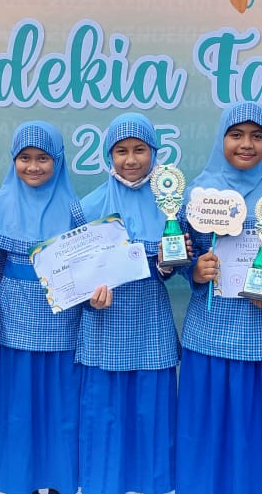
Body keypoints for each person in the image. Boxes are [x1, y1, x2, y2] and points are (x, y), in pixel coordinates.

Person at [175, 101, 262, 494]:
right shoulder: (198, 195)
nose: (246, 144)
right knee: (206, 441)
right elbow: (180, 254)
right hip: (210, 338)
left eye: (257, 136)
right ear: (221, 139)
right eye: (236, 135)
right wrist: (194, 270)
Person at [75, 113, 181, 494]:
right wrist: (89, 297)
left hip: (151, 318)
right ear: (109, 155)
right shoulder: (88, 206)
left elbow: (181, 266)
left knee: (151, 412)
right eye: (121, 151)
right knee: (104, 413)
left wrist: (169, 265)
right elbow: (74, 272)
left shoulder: (171, 204)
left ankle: (153, 486)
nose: (131, 159)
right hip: (104, 322)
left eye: (140, 150)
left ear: (154, 152)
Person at [0, 121, 89, 494]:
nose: (33, 166)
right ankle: (18, 479)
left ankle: (59, 479)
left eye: (43, 158)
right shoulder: (3, 205)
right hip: (15, 316)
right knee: (17, 402)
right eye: (24, 158)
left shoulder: (76, 210)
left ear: (58, 160)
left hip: (62, 318)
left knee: (61, 402)